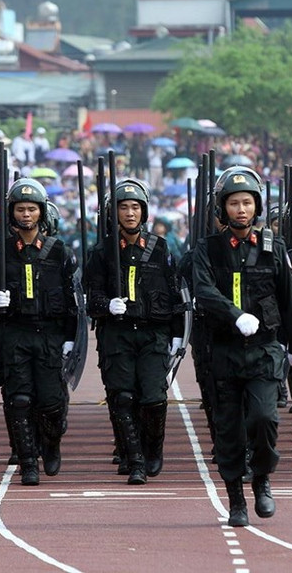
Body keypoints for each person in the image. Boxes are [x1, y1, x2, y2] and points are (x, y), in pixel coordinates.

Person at [193, 167, 292, 527]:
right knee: (228, 429)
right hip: (224, 351)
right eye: (233, 203)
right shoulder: (207, 249)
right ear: (222, 208)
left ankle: (261, 479)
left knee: (263, 418)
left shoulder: (273, 247)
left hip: (263, 350)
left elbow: (289, 298)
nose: (241, 209)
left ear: (256, 206)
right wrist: (233, 314)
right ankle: (235, 501)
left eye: (247, 202)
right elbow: (203, 290)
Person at [0, 178, 78, 485]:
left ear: (41, 212)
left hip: (49, 334)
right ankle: (27, 460)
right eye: (20, 209)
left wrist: (70, 338)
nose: (26, 215)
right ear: (11, 213)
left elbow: (73, 300)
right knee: (18, 399)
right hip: (13, 334)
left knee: (50, 402)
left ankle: (50, 445)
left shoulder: (60, 252)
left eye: (32, 209)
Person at [87, 178, 182, 485]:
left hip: (153, 334)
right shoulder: (101, 252)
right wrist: (105, 305)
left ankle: (153, 449)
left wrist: (178, 334)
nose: (130, 213)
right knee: (122, 397)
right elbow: (89, 297)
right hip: (117, 335)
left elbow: (175, 292)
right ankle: (135, 458)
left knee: (154, 397)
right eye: (123, 207)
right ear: (112, 213)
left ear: (144, 212)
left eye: (135, 207)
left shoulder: (160, 248)